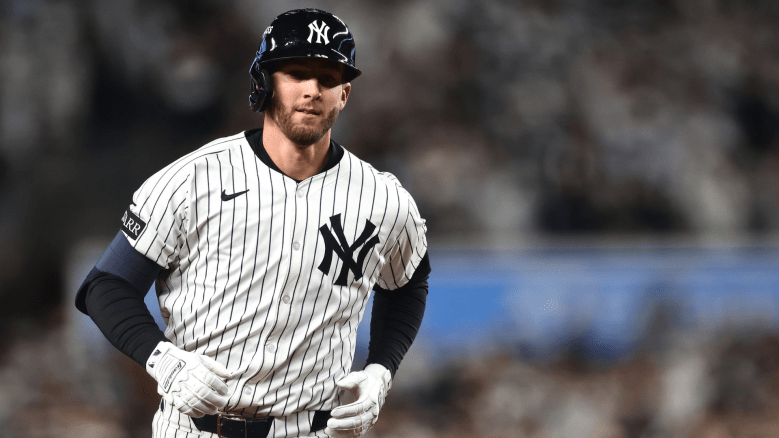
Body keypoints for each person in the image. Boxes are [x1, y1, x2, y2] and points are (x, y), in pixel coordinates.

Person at [75, 8, 430, 438]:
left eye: (328, 78)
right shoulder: (192, 179)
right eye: (296, 73)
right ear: (264, 82)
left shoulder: (385, 199)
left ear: (345, 94)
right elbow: (106, 286)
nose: (312, 90)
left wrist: (380, 369)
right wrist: (163, 359)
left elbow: (408, 284)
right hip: (198, 429)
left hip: (315, 430)